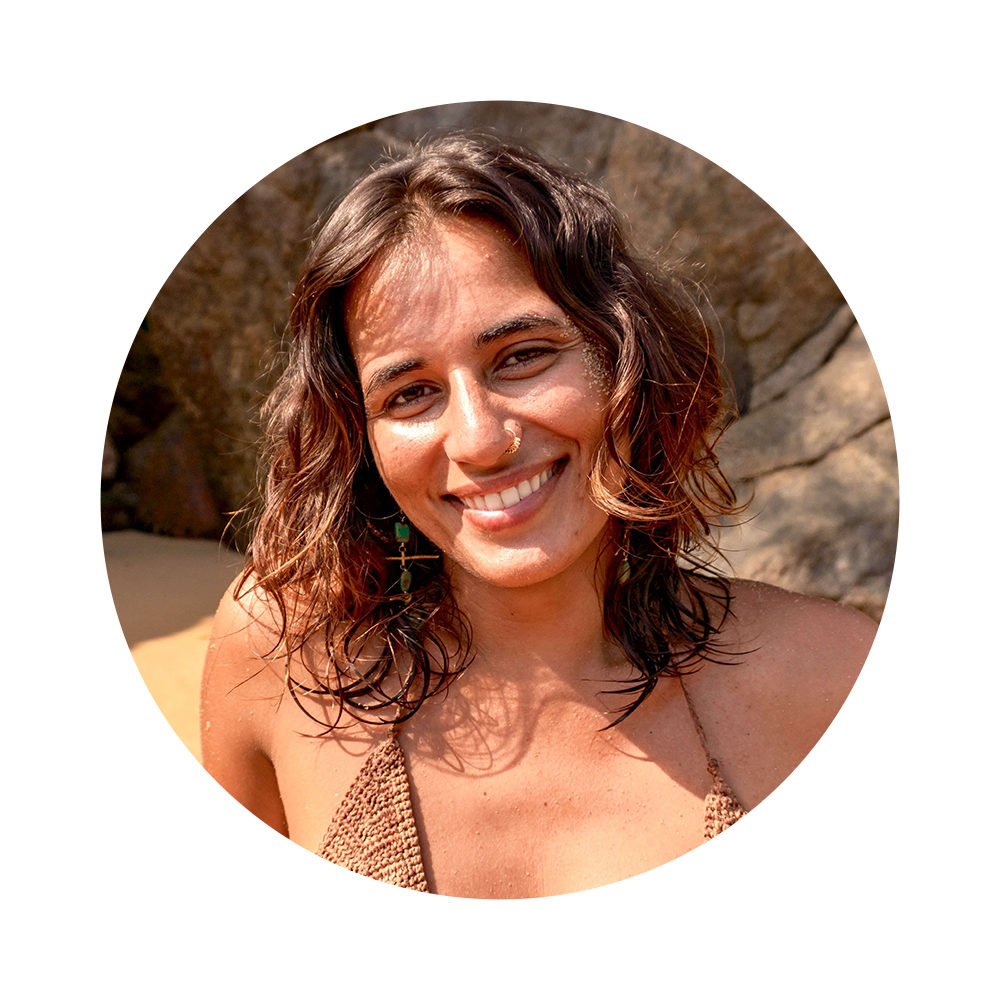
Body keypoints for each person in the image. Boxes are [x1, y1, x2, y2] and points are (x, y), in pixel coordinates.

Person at [186, 132, 898, 900]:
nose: (480, 440)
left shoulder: (832, 682)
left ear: (624, 350)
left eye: (522, 355)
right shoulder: (286, 653)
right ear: (360, 438)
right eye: (410, 394)